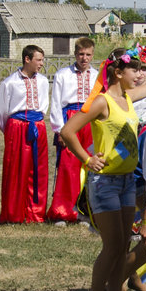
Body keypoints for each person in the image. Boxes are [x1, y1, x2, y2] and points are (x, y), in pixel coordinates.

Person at [61, 47, 146, 291]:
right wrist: (87, 159)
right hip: (105, 183)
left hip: (125, 182)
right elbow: (67, 131)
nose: (139, 75)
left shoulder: (127, 99)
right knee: (111, 246)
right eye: (134, 70)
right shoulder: (103, 101)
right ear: (118, 73)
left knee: (122, 245)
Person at [0, 45, 50, 224]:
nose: (41, 64)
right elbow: (2, 112)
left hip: (37, 126)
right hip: (17, 126)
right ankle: (14, 212)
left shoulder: (42, 81)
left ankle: (35, 211)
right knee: (16, 170)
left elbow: (44, 105)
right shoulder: (10, 82)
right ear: (27, 59)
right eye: (38, 60)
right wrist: (12, 130)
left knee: (38, 169)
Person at [48, 38, 97, 225]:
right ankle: (62, 211)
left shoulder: (97, 76)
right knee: (68, 166)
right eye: (81, 54)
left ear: (92, 55)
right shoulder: (63, 74)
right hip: (70, 118)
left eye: (88, 55)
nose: (84, 58)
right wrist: (60, 130)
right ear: (75, 54)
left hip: (90, 120)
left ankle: (84, 210)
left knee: (88, 165)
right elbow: (56, 103)